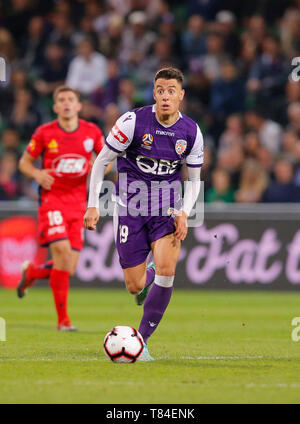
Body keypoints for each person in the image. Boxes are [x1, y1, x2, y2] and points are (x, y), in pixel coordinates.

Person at [84, 67, 203, 360]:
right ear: (154, 93)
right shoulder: (132, 122)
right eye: (160, 90)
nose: (165, 96)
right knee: (135, 285)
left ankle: (143, 340)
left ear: (181, 96)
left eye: (171, 91)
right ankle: (144, 278)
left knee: (167, 271)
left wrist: (185, 213)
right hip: (130, 209)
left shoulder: (191, 131)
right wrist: (93, 204)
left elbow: (194, 179)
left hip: (167, 210)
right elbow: (101, 162)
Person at [17, 85, 105, 331]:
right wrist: (37, 173)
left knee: (69, 267)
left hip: (79, 205)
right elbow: (24, 162)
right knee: (63, 255)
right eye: (62, 100)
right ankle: (63, 321)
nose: (66, 103)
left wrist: (95, 166)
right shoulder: (45, 133)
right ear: (56, 107)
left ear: (78, 106)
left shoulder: (91, 132)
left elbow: (108, 162)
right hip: (52, 201)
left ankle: (33, 273)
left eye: (71, 100)